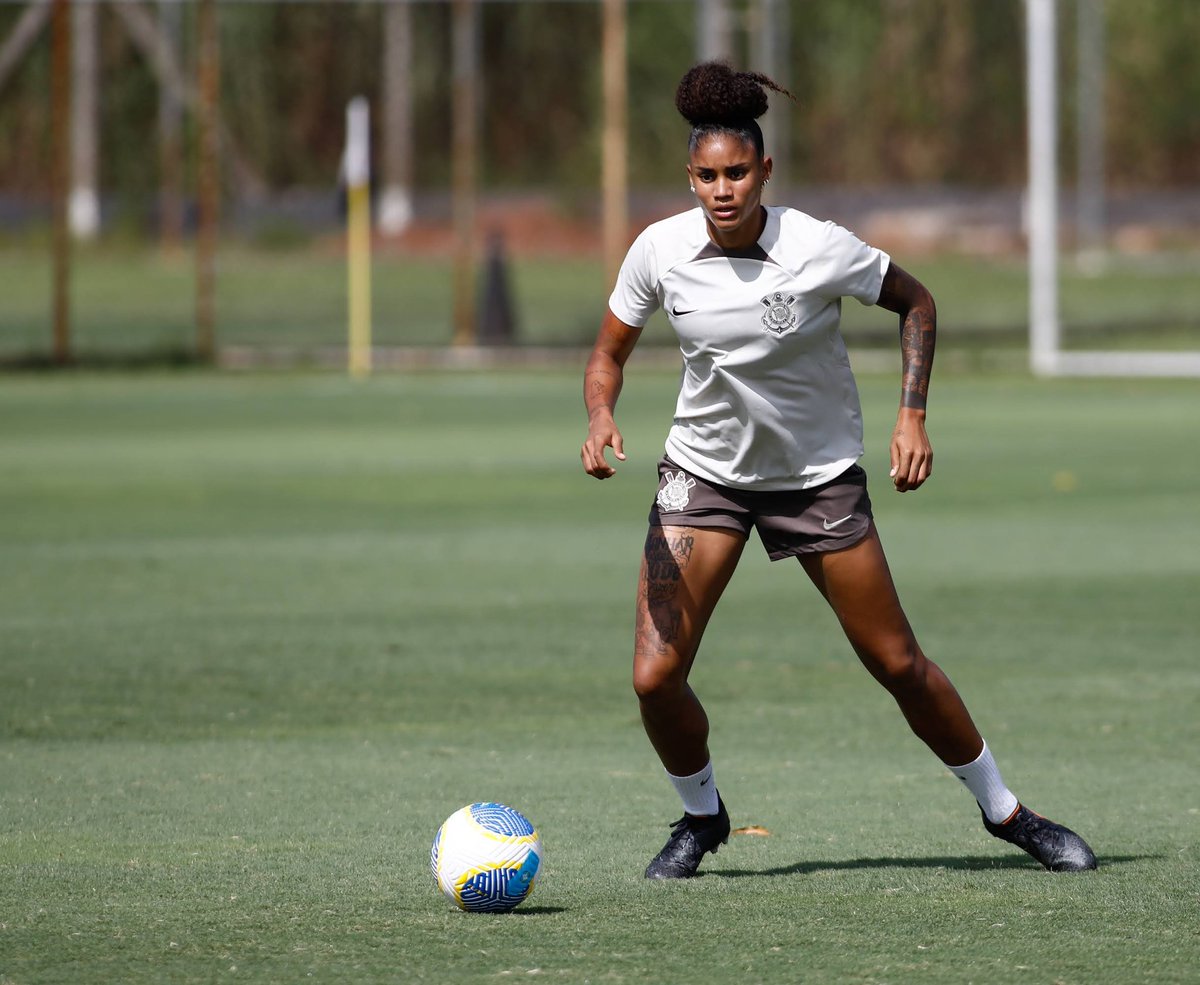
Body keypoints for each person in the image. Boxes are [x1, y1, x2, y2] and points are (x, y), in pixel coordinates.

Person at [579, 62, 1097, 879]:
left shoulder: (817, 246)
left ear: (765, 172)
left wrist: (913, 414)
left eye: (738, 172)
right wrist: (600, 412)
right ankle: (701, 815)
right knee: (654, 677)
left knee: (897, 663)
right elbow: (609, 351)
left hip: (815, 478)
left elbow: (917, 302)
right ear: (690, 177)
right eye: (708, 175)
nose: (723, 189)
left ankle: (1008, 812)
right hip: (702, 477)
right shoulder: (658, 251)